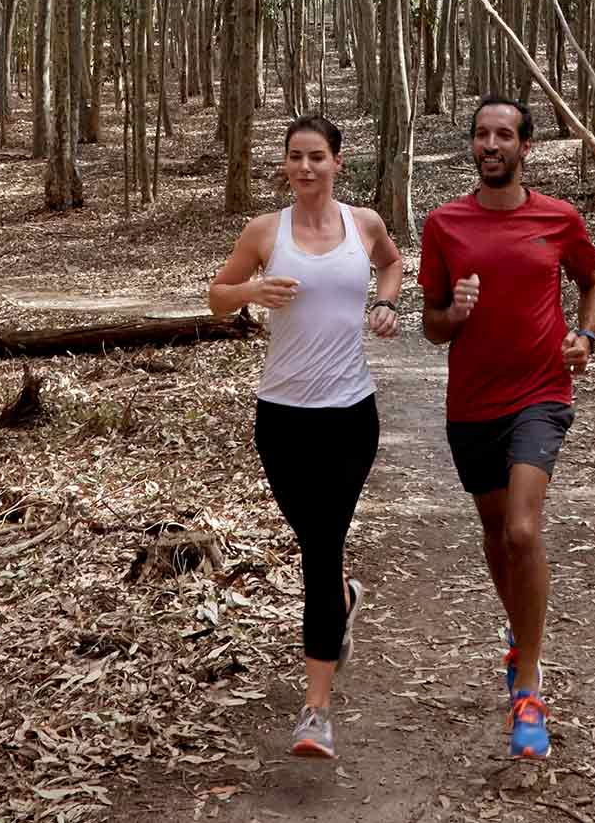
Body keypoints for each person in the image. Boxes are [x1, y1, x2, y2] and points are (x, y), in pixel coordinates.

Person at [418, 94, 595, 761]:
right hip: (472, 404)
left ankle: (528, 684)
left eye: (504, 135)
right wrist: (455, 313)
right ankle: (520, 636)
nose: (491, 145)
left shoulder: (557, 218)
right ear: (473, 146)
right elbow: (431, 326)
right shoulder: (445, 224)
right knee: (498, 534)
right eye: (481, 134)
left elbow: (593, 282)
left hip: (541, 394)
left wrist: (585, 335)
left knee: (524, 530)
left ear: (526, 147)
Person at [208, 115, 404, 761]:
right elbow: (216, 297)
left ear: (337, 162)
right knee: (316, 542)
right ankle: (343, 600)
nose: (305, 167)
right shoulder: (265, 232)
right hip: (282, 419)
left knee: (321, 547)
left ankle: (316, 710)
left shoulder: (363, 224)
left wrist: (386, 303)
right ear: (285, 164)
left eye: (317, 156)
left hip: (350, 415)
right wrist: (252, 289)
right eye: (295, 156)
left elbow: (392, 262)